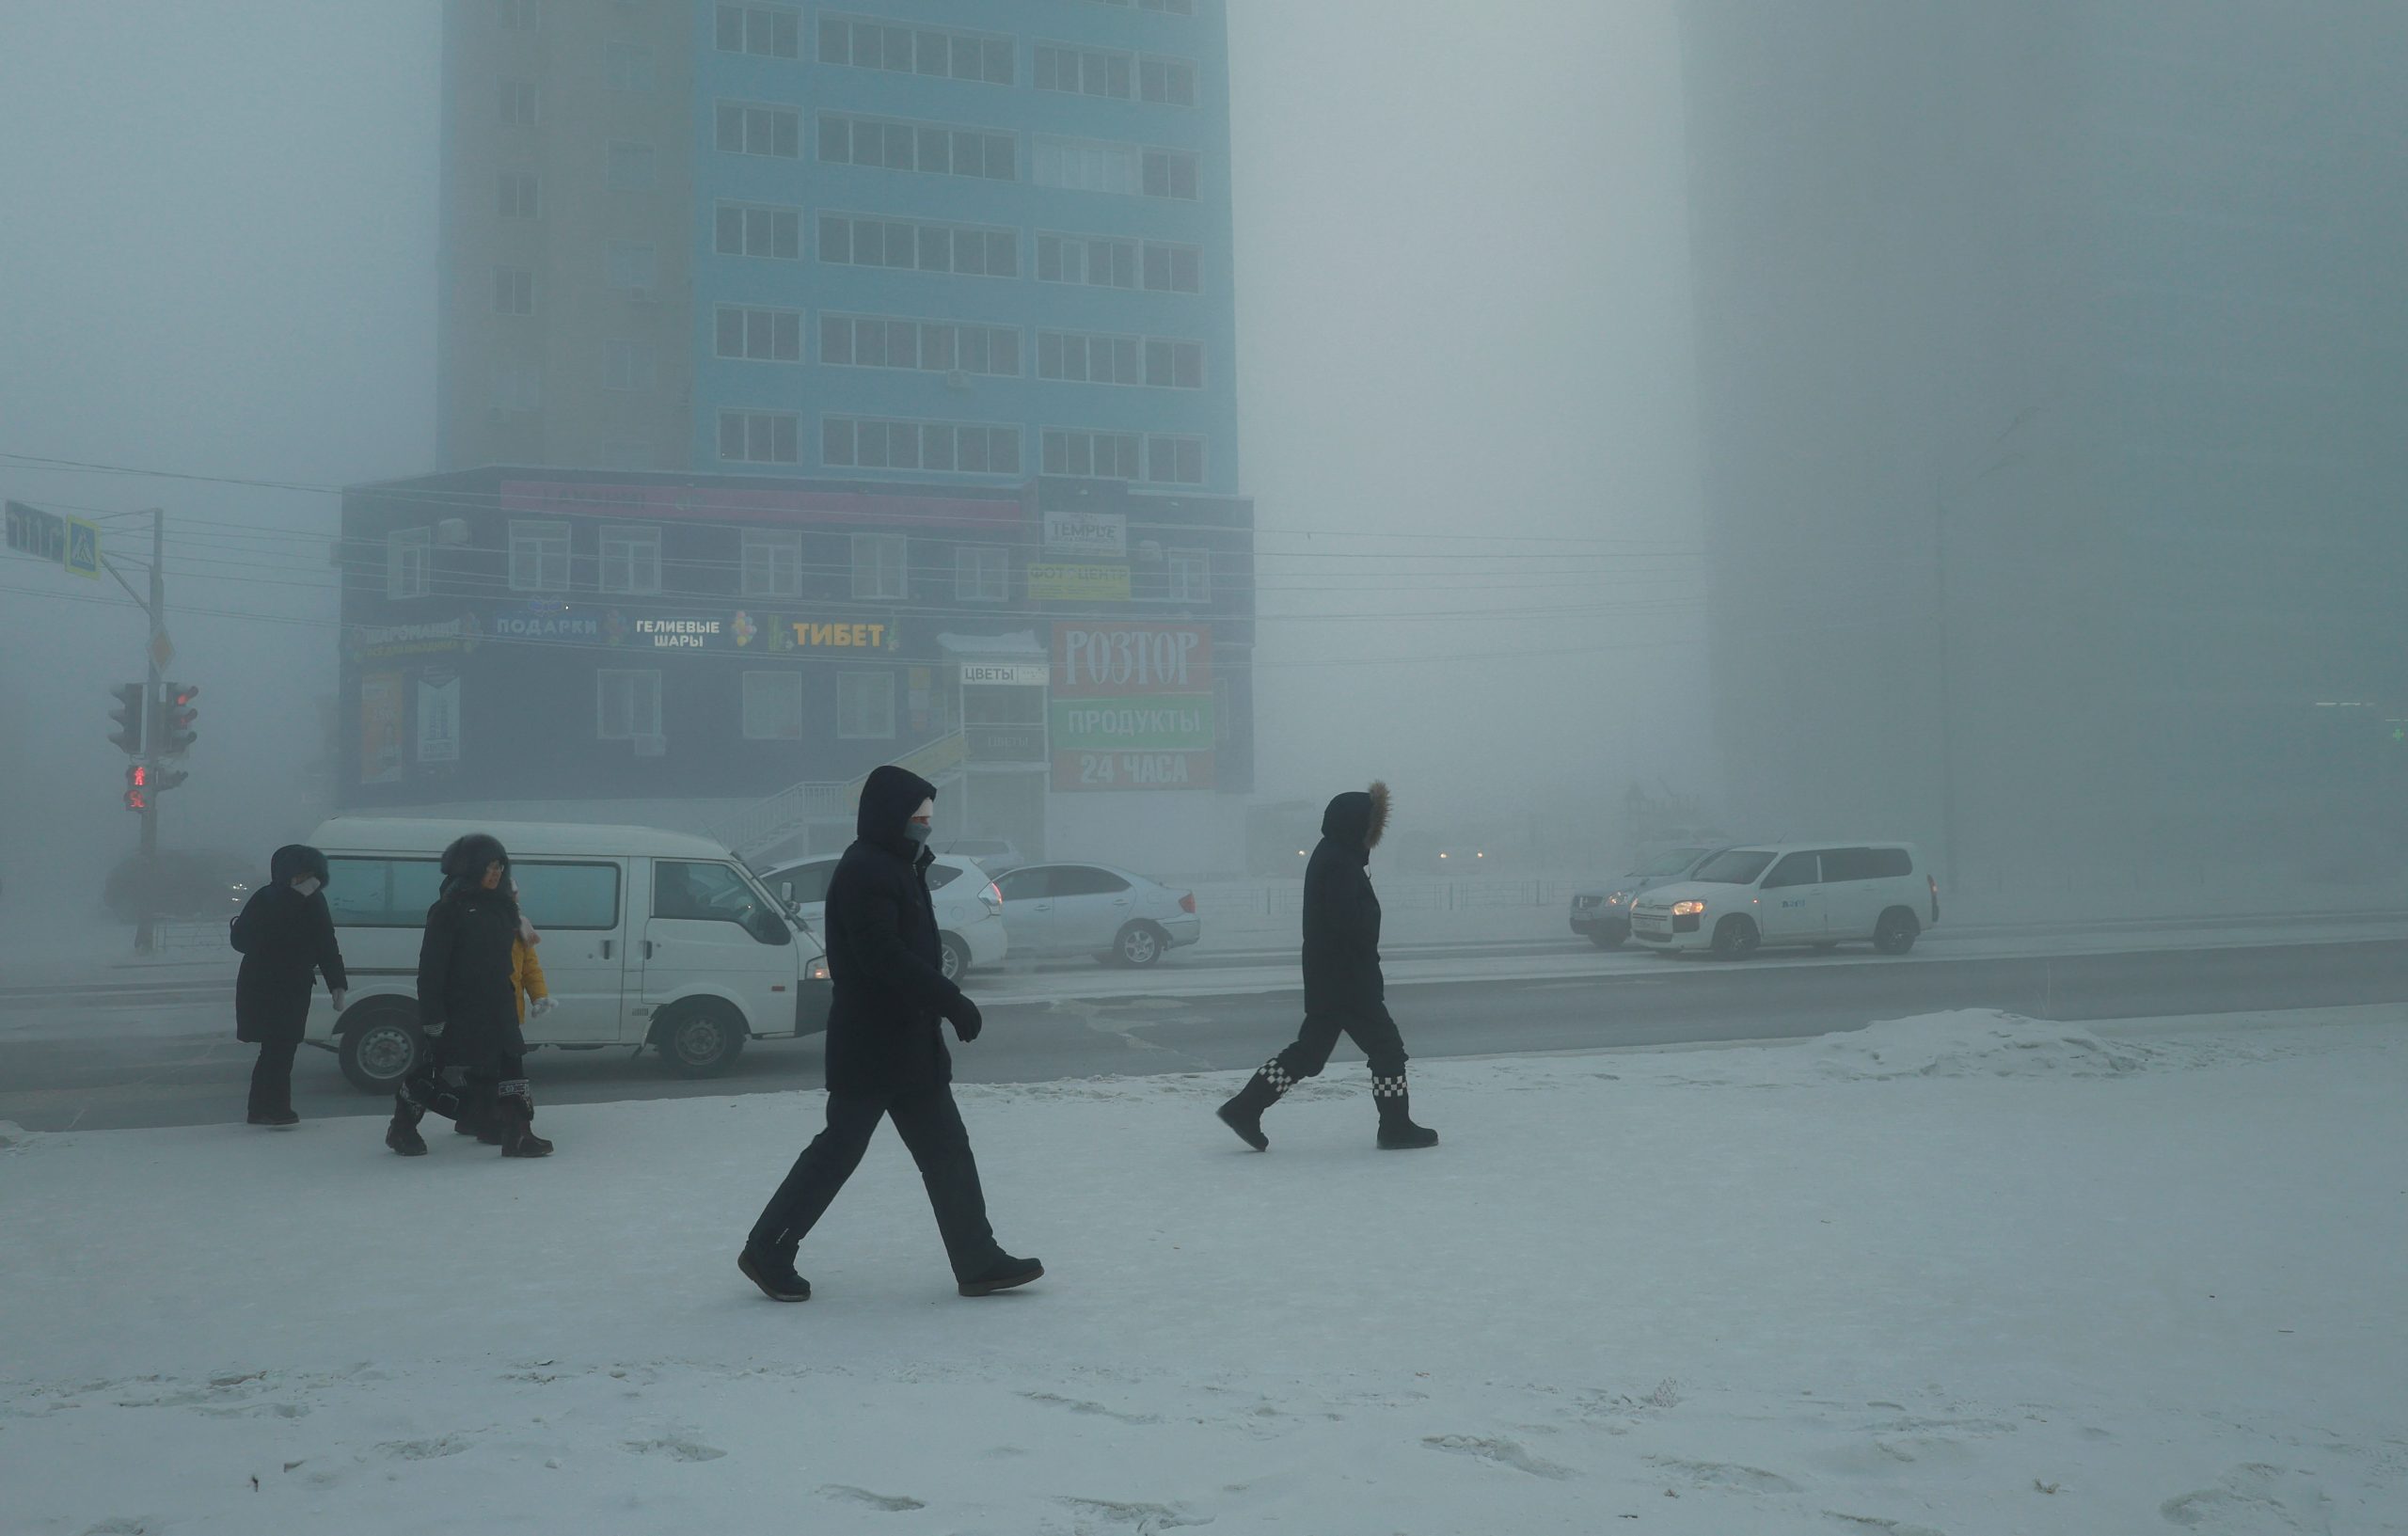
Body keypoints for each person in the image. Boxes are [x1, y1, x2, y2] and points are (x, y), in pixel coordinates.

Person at [737, 766, 1041, 1303]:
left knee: (948, 1151)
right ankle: (769, 1249)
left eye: (928, 817)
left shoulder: (899, 866)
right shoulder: (867, 871)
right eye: (917, 817)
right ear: (889, 817)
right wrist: (950, 1000)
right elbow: (884, 957)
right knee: (838, 1153)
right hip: (873, 1047)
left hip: (911, 1049)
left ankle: (977, 1260)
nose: (926, 825)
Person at [1216, 781, 1439, 1151]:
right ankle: (1396, 1128)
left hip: (1331, 976)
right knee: (1387, 1049)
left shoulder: (1334, 855)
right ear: (1356, 826)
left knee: (1308, 1053)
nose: (1374, 835)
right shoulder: (1339, 863)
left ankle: (1245, 1108)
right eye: (1371, 826)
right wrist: (1369, 923)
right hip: (1347, 978)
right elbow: (1346, 922)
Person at [386, 833, 553, 1159]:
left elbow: (515, 959)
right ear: (470, 868)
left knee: (511, 1069)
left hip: (499, 1006)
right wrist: (433, 1018)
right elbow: (431, 970)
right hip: (459, 1008)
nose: (495, 873)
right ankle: (402, 1128)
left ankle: (517, 1133)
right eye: (489, 866)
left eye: (500, 866)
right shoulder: (448, 911)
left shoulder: (505, 909)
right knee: (433, 1072)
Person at [229, 844, 348, 1128]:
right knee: (276, 1046)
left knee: (282, 1047)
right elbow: (243, 941)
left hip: (294, 984)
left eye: (312, 874)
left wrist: (337, 984)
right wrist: (292, 900)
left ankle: (263, 1108)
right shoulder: (267, 899)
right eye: (303, 874)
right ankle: (274, 1108)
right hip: (263, 984)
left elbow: (326, 945)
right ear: (288, 874)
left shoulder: (315, 901)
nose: (308, 880)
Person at [450, 882, 555, 1145]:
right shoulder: (482, 921)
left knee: (491, 1067)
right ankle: (488, 1123)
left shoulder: (521, 924)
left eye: (516, 896)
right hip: (486, 1008)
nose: (514, 900)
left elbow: (531, 967)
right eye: (511, 895)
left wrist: (539, 995)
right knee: (488, 1069)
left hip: (509, 1008)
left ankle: (477, 1119)